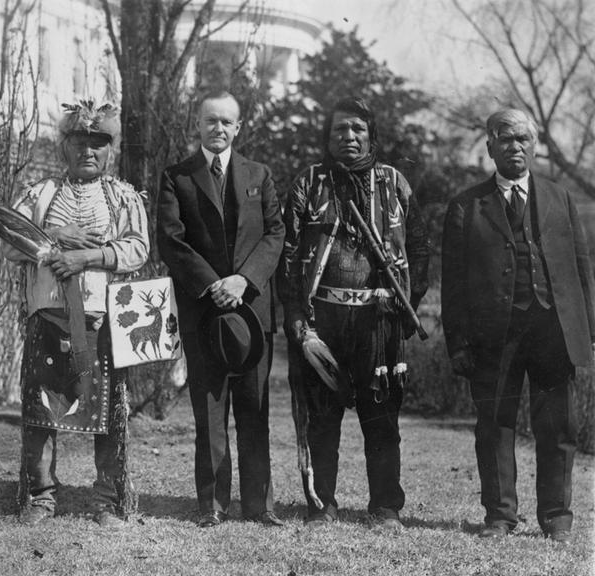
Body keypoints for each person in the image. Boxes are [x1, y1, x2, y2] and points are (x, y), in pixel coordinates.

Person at [442, 109, 594, 543]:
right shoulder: (467, 206)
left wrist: (589, 332)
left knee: (558, 426)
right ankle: (500, 516)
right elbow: (451, 284)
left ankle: (557, 517)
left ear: (535, 144)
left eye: (524, 138)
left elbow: (581, 270)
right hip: (493, 336)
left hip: (554, 332)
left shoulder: (560, 198)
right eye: (506, 139)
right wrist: (458, 343)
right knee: (493, 426)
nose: (516, 146)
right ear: (489, 145)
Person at [279, 96, 429, 528]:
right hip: (322, 319)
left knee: (381, 417)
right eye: (340, 129)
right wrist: (294, 314)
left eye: (357, 129)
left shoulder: (394, 183)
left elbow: (419, 248)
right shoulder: (310, 183)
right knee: (321, 419)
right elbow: (288, 255)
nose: (349, 136)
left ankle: (384, 507)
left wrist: (409, 303)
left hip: (380, 320)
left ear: (371, 136)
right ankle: (322, 504)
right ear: (328, 137)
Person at [3, 100, 149, 527]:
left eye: (98, 144)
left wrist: (87, 256)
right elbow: (10, 245)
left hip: (102, 322)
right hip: (47, 318)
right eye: (79, 142)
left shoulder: (122, 196)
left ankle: (105, 499)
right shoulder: (39, 194)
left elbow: (138, 249)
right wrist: (52, 237)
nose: (88, 151)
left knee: (107, 413)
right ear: (64, 146)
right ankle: (40, 496)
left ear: (110, 150)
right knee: (40, 411)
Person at [157, 91, 285, 527]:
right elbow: (171, 241)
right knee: (210, 411)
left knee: (254, 409)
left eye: (227, 122)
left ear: (238, 127)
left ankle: (259, 505)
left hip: (252, 311)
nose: (219, 129)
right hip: (204, 311)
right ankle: (211, 505)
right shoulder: (177, 177)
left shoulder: (259, 174)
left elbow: (275, 234)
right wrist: (214, 285)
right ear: (198, 124)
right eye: (211, 120)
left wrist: (243, 280)